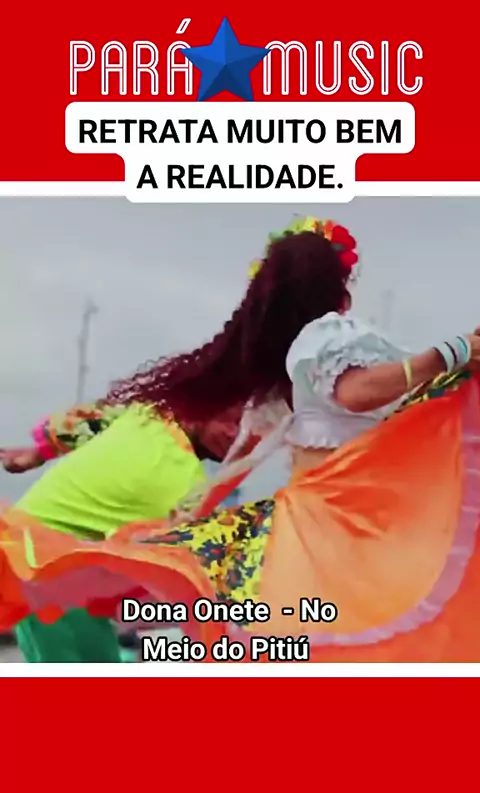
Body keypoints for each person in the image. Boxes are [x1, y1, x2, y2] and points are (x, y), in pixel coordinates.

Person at [1, 214, 480, 662]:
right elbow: (354, 393)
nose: (234, 428)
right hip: (331, 521)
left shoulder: (264, 382)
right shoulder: (328, 335)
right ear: (337, 291)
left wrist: (37, 450)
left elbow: (102, 419)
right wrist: (452, 352)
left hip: (319, 519)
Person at [0, 385, 256, 662]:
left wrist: (37, 453)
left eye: (246, 429)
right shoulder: (180, 482)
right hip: (46, 570)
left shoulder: (148, 414)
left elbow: (89, 417)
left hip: (30, 552)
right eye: (230, 421)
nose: (234, 435)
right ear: (201, 409)